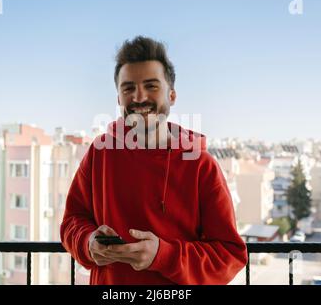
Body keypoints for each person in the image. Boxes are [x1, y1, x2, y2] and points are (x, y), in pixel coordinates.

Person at [60, 36, 247, 285]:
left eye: (151, 86)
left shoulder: (202, 166)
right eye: (128, 88)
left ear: (172, 96)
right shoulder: (100, 153)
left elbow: (229, 256)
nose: (138, 97)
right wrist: (88, 242)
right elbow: (72, 222)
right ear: (118, 99)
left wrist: (163, 255)